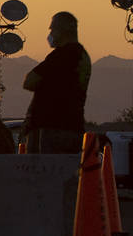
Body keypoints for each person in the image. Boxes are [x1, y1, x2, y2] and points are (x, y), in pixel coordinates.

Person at [22, 11, 91, 154]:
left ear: (63, 30)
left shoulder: (63, 55)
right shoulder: (82, 56)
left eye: (53, 29)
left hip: (52, 129)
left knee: (44, 173)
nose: (51, 33)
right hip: (72, 126)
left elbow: (30, 81)